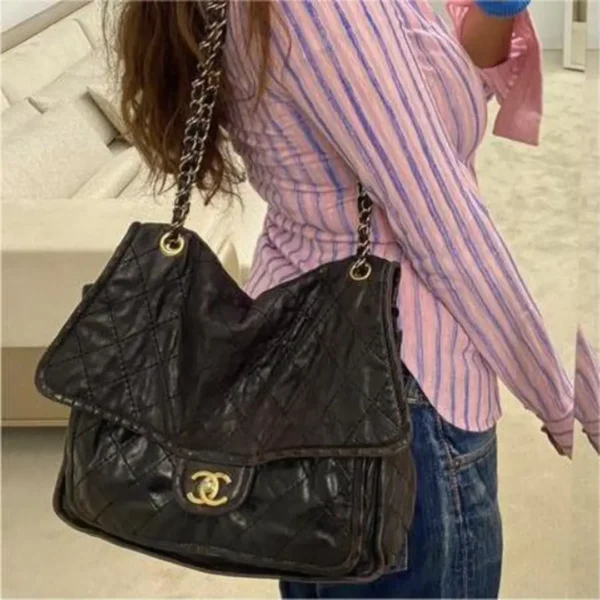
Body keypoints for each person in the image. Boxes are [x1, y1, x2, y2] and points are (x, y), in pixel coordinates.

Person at [112, 0, 579, 597]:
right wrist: (562, 393)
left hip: (311, 357)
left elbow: (421, 112)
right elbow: (442, 221)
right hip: (395, 381)